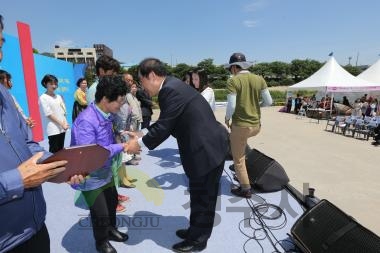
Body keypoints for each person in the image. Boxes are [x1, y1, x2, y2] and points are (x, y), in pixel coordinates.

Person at [127, 58, 229, 253]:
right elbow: (168, 121)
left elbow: (165, 126)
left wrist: (137, 144)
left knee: (204, 196)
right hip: (204, 146)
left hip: (206, 149)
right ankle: (194, 230)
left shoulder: (170, 90)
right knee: (198, 193)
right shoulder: (173, 85)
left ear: (152, 76)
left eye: (142, 81)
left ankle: (198, 240)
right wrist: (141, 134)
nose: (142, 87)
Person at [0, 14, 83, 253]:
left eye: (0, 46)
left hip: (34, 228)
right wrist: (16, 181)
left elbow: (27, 142)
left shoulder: (3, 93)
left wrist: (57, 165)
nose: (1, 56)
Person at [71, 75, 131, 253]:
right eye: (119, 102)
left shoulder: (106, 114)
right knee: (100, 213)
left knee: (111, 203)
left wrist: (124, 137)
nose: (120, 106)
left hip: (106, 171)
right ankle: (101, 242)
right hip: (90, 175)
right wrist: (123, 146)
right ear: (105, 99)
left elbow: (109, 140)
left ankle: (111, 231)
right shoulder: (86, 121)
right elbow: (92, 155)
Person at [224, 52, 272, 198]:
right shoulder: (259, 79)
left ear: (233, 68)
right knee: (242, 150)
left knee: (237, 159)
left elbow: (231, 105)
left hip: (240, 126)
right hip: (256, 126)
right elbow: (269, 102)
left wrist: (227, 118)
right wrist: (255, 106)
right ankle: (243, 175)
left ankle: (245, 189)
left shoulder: (233, 81)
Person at [39, 74, 69, 153]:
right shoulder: (43, 97)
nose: (54, 86)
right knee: (54, 151)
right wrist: (61, 124)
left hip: (62, 128)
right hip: (53, 129)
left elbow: (63, 111)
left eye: (55, 84)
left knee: (61, 149)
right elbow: (49, 114)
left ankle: (60, 165)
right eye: (51, 84)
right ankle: (52, 165)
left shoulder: (58, 96)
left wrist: (65, 123)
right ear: (45, 84)